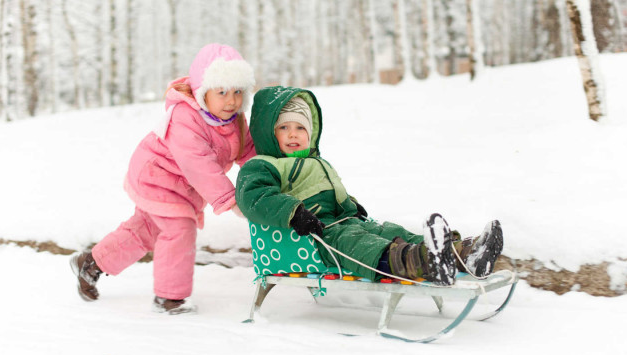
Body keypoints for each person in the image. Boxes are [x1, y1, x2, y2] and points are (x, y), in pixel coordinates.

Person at [235, 86, 503, 285]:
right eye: (283, 128)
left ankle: (463, 254)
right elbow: (255, 198)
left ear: (311, 132)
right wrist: (293, 213)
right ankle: (424, 262)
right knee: (358, 244)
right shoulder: (262, 165)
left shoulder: (317, 161)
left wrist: (350, 205)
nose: (293, 134)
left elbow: (330, 193)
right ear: (268, 133)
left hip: (345, 222)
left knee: (388, 231)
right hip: (314, 236)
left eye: (300, 128)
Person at [70, 44, 256, 314]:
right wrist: (231, 200)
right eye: (222, 92)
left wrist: (263, 178)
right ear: (203, 92)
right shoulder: (186, 118)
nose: (232, 101)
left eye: (238, 91)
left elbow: (248, 152)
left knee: (145, 229)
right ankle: (170, 298)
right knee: (180, 229)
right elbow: (199, 165)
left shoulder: (234, 121)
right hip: (157, 176)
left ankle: (92, 263)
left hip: (181, 186)